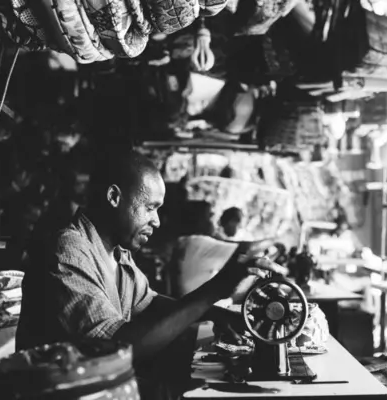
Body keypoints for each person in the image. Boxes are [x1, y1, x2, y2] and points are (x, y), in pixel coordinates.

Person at [16, 151, 279, 364]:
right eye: (150, 208)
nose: (157, 221)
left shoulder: (119, 254)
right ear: (114, 197)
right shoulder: (68, 251)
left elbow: (150, 303)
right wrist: (214, 290)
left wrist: (216, 314)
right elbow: (116, 350)